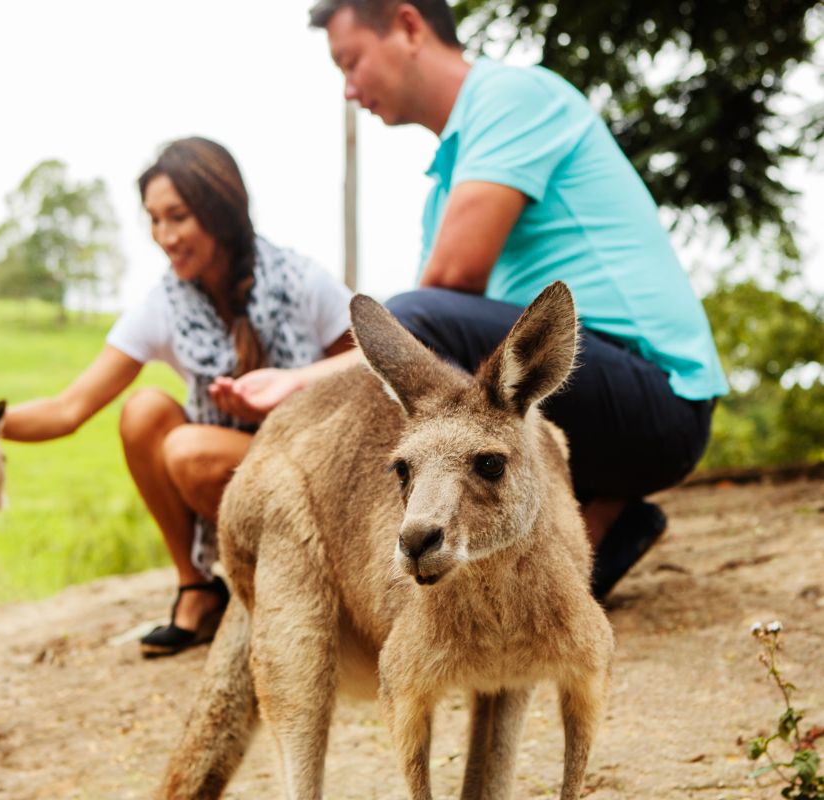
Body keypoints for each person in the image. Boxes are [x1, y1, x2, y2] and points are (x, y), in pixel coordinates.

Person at [213, 0, 728, 601]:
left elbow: (446, 289)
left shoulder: (514, 97)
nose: (350, 90)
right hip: (599, 413)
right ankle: (598, 528)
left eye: (351, 63)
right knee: (430, 359)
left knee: (423, 317)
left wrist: (306, 381)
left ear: (408, 25)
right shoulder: (444, 184)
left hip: (660, 401)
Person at [0, 136, 354, 656]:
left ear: (219, 210)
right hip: (238, 471)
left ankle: (311, 588)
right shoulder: (165, 304)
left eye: (178, 217)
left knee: (191, 451)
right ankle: (198, 588)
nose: (164, 236)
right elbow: (67, 408)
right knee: (144, 411)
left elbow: (369, 363)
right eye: (154, 219)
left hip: (315, 474)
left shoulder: (300, 281)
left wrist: (291, 383)